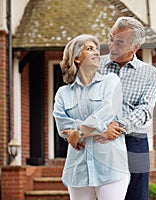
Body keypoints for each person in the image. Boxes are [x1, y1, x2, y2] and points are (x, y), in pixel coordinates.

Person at [53, 34, 129, 200]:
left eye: (96, 49)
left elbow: (107, 111)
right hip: (78, 170)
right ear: (77, 58)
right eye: (89, 49)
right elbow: (63, 127)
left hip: (111, 167)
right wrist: (101, 130)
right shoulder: (63, 93)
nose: (96, 52)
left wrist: (78, 132)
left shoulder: (111, 81)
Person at [96, 17, 156, 200]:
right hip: (100, 137)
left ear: (135, 47)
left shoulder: (149, 73)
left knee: (137, 195)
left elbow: (146, 109)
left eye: (119, 43)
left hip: (135, 141)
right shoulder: (95, 66)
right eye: (110, 39)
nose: (111, 46)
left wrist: (118, 126)